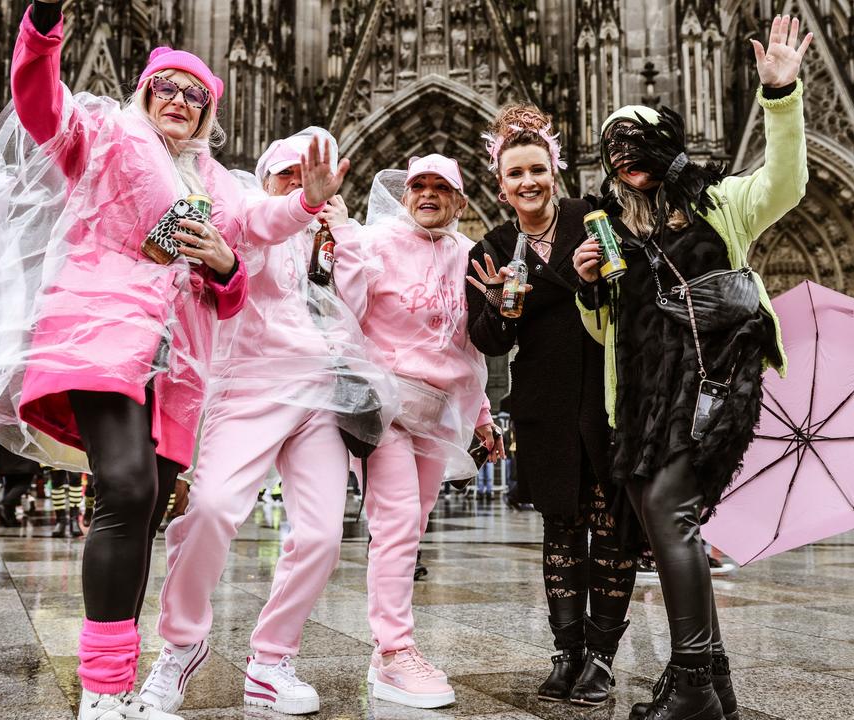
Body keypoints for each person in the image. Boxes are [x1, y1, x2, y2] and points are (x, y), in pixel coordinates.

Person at [0, 4, 346, 718]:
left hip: (175, 370)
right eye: (166, 86)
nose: (179, 100)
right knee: (127, 492)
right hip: (101, 334)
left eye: (195, 95)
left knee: (145, 503)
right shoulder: (105, 136)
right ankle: (102, 692)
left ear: (206, 115)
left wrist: (302, 209)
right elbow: (39, 103)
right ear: (143, 92)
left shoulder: (210, 179)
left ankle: (120, 683)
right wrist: (42, 26)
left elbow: (253, 226)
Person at [572, 16, 811, 720]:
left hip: (709, 385)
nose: (625, 161)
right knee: (661, 516)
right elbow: (606, 329)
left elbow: (788, 183)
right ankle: (713, 679)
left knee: (671, 517)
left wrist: (782, 95)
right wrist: (590, 286)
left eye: (638, 145)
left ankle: (694, 687)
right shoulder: (611, 231)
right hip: (643, 397)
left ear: (667, 148)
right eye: (614, 150)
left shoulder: (720, 203)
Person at [137, 127, 390, 717]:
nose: (301, 187)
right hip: (249, 384)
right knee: (211, 507)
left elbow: (356, 311)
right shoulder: (247, 215)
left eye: (310, 179)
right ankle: (179, 647)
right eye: (289, 176)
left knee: (323, 534)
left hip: (321, 394)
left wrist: (341, 235)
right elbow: (264, 224)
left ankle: (272, 659)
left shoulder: (324, 236)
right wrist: (299, 207)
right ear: (267, 180)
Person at [465, 104, 638, 705]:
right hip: (544, 405)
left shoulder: (595, 220)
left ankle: (602, 658)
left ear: (554, 173)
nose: (527, 182)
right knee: (562, 528)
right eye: (515, 174)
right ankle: (567, 654)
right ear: (501, 184)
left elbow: (632, 285)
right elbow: (486, 340)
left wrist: (596, 277)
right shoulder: (490, 248)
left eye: (537, 169)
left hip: (606, 397)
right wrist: (504, 308)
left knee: (611, 528)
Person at [333, 154, 499, 709]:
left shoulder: (470, 256)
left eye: (441, 188)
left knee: (413, 522)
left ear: (460, 200)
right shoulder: (375, 243)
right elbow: (344, 318)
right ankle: (394, 650)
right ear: (405, 195)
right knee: (398, 521)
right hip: (383, 405)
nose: (428, 194)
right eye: (418, 186)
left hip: (437, 409)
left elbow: (470, 345)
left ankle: (390, 646)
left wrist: (482, 416)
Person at [0, 442, 41, 528]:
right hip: (23, 449)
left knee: (10, 483)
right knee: (25, 482)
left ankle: (9, 518)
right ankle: (4, 505)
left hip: (5, 449)